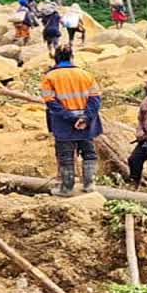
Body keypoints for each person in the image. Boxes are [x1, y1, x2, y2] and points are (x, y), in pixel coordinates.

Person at [40, 46, 103, 196]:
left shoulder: (49, 77)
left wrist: (71, 117)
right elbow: (95, 99)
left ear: (55, 57)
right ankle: (90, 185)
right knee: (89, 153)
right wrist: (85, 117)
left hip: (63, 123)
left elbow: (50, 102)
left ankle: (67, 188)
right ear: (71, 56)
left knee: (66, 156)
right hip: (87, 123)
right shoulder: (86, 74)